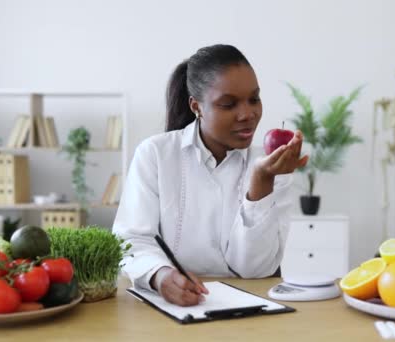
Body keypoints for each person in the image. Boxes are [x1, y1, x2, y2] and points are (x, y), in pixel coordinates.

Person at [112, 44, 308, 307]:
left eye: (254, 99)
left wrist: (261, 182)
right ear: (197, 106)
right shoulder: (155, 154)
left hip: (251, 310)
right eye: (229, 104)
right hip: (173, 307)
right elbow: (130, 239)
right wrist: (160, 275)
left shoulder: (272, 165)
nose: (248, 114)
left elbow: (255, 270)